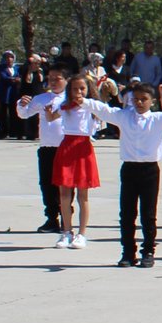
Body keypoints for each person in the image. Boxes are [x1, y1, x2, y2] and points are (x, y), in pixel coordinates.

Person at [108, 82, 162, 268]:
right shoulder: (124, 117)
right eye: (136, 99)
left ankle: (148, 251)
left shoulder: (158, 119)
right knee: (127, 213)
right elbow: (102, 110)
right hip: (129, 169)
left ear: (152, 101)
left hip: (150, 171)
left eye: (144, 99)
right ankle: (128, 252)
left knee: (148, 214)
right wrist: (83, 102)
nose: (139, 102)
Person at [42, 75, 115, 250]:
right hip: (67, 147)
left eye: (82, 88)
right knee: (64, 195)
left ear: (88, 90)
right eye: (75, 89)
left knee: (83, 196)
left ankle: (82, 234)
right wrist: (47, 111)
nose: (78, 92)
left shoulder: (91, 107)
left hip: (83, 148)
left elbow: (107, 111)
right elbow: (51, 118)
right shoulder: (65, 106)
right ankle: (67, 231)